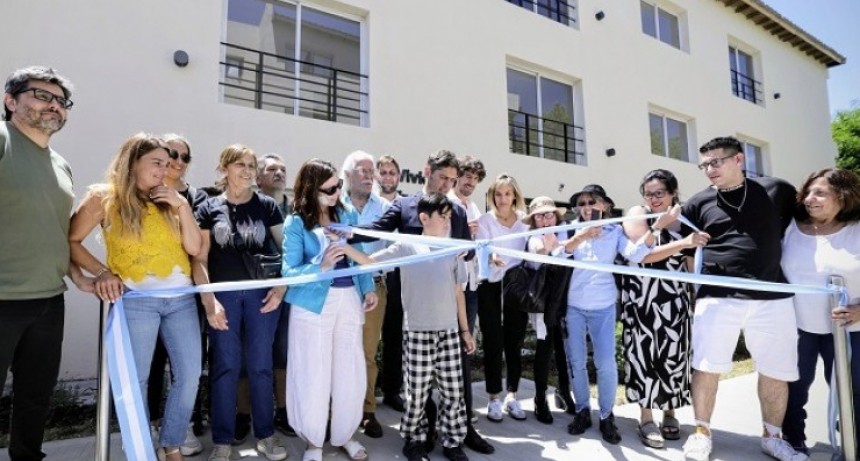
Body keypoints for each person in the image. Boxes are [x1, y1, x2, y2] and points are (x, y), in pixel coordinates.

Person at [69, 133, 203, 461]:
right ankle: (139, 448)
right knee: (136, 380)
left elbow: (195, 249)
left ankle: (171, 444)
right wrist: (102, 272)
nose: (165, 168)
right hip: (136, 301)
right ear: (133, 163)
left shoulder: (168, 199)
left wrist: (182, 207)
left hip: (182, 299)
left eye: (168, 162)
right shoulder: (104, 197)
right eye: (156, 162)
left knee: (189, 375)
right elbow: (71, 240)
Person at [351, 150, 494, 454]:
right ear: (427, 171)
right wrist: (347, 238)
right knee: (417, 380)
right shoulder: (404, 205)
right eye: (444, 178)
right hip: (414, 304)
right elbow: (376, 233)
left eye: (452, 180)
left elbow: (465, 251)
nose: (447, 185)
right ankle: (421, 432)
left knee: (456, 377)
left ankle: (461, 431)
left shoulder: (454, 211)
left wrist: (467, 252)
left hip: (451, 293)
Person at [680, 136, 806, 461]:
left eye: (715, 162)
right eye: (704, 164)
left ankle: (772, 437)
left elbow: (809, 223)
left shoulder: (777, 190)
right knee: (706, 366)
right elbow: (688, 252)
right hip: (717, 297)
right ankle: (701, 433)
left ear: (738, 159)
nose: (709, 170)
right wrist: (697, 289)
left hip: (773, 296)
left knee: (776, 370)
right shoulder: (696, 203)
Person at [0, 66, 92, 461]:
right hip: (2, 299)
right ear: (10, 101)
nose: (53, 105)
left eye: (60, 101)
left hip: (49, 302)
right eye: (41, 95)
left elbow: (55, 231)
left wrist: (77, 274)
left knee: (36, 397)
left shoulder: (61, 164)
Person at [560, 183, 678, 445]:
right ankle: (582, 411)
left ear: (604, 206)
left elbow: (636, 254)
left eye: (592, 202)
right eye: (582, 203)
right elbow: (557, 253)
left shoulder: (615, 231)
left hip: (603, 306)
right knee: (576, 362)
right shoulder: (569, 229)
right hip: (574, 306)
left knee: (606, 364)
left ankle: (606, 415)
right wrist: (581, 237)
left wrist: (656, 227)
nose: (587, 207)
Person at [191, 145, 287, 461]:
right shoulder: (208, 208)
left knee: (260, 367)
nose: (247, 170)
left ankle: (266, 436)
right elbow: (200, 258)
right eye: (240, 164)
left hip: (262, 296)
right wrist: (209, 302)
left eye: (251, 165)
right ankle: (222, 440)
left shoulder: (268, 206)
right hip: (223, 298)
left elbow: (288, 251)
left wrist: (281, 289)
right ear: (224, 168)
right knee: (225, 367)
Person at [282, 159, 376, 461]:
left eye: (338, 185)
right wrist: (320, 265)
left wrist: (369, 287)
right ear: (312, 189)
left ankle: (345, 434)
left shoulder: (346, 214)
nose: (338, 192)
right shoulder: (296, 222)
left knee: (350, 370)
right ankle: (314, 442)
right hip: (312, 305)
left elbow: (359, 256)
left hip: (349, 298)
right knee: (313, 371)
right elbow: (288, 272)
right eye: (330, 188)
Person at [621, 169, 709, 448]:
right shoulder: (638, 214)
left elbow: (692, 267)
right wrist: (670, 234)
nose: (654, 198)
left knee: (674, 357)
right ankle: (646, 417)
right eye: (649, 193)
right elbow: (642, 256)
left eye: (660, 193)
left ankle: (670, 411)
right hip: (642, 300)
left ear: (673, 193)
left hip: (674, 302)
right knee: (643, 357)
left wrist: (701, 297)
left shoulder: (685, 221)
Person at [781, 168, 860, 456]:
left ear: (844, 197)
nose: (809, 199)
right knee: (792, 389)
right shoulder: (790, 228)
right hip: (797, 326)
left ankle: (853, 448)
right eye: (808, 193)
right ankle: (792, 442)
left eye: (821, 193)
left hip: (849, 330)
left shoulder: (857, 230)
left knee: (851, 393)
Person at [145, 133, 208, 455]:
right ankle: (152, 425)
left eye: (185, 157)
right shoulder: (142, 192)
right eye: (172, 153)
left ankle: (184, 427)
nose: (178, 161)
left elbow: (199, 248)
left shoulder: (197, 198)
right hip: (146, 294)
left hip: (187, 291)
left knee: (186, 365)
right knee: (153, 364)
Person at [340, 150, 391, 438]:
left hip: (374, 287)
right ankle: (339, 411)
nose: (369, 175)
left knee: (368, 353)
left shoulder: (384, 207)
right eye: (362, 170)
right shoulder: (336, 204)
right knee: (341, 352)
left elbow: (395, 245)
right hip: (341, 287)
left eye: (371, 170)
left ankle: (368, 410)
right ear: (346, 175)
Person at [475, 174, 530, 422]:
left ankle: (512, 396)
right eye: (498, 194)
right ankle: (494, 398)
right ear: (492, 196)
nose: (503, 198)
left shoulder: (524, 222)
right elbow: (481, 248)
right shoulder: (485, 220)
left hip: (516, 288)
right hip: (491, 287)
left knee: (514, 343)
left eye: (508, 193)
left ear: (515, 195)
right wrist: (491, 258)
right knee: (493, 342)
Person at [520, 196, 576, 424]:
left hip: (567, 297)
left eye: (549, 214)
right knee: (545, 348)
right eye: (539, 215)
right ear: (533, 219)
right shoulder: (532, 237)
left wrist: (561, 244)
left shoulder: (567, 232)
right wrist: (549, 246)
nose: (545, 219)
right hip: (544, 301)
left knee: (563, 348)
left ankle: (564, 391)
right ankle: (539, 398)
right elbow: (539, 250)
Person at [254, 152, 294, 437]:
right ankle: (247, 415)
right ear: (258, 178)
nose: (278, 173)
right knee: (251, 357)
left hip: (290, 292)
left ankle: (284, 412)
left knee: (283, 354)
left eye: (282, 169)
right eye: (271, 169)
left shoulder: (298, 210)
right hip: (254, 290)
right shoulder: (249, 207)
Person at [447, 155, 486, 334]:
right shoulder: (445, 203)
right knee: (450, 339)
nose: (472, 182)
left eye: (476, 179)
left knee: (467, 340)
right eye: (469, 176)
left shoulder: (473, 207)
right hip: (450, 284)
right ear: (458, 176)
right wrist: (463, 231)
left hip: (471, 284)